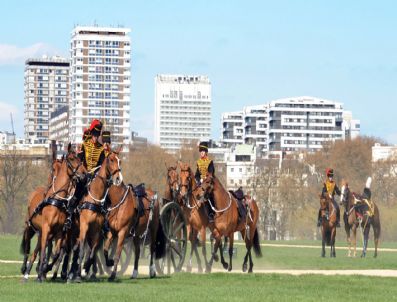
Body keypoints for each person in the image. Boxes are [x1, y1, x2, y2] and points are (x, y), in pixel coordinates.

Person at [64, 119, 105, 230]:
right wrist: (84, 172)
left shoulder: (101, 149)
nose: (96, 137)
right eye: (94, 134)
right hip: (85, 175)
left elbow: (102, 164)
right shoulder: (85, 146)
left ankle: (105, 220)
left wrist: (96, 173)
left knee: (106, 194)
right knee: (78, 190)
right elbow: (80, 161)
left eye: (97, 134)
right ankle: (70, 214)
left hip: (96, 176)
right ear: (91, 134)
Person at [194, 141, 215, 222]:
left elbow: (211, 173)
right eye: (200, 152)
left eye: (203, 151)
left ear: (206, 152)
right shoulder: (198, 162)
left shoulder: (210, 162)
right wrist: (199, 180)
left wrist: (204, 179)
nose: (201, 153)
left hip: (208, 183)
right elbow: (197, 175)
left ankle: (211, 214)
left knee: (208, 195)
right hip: (201, 184)